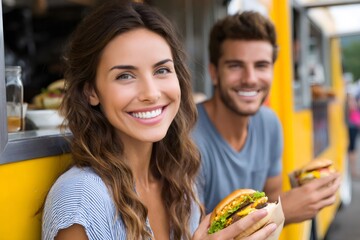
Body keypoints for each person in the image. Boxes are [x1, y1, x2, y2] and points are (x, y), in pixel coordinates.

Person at [41, 2, 277, 240]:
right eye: (125, 76)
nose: (151, 93)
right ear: (91, 91)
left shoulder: (181, 181)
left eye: (162, 70)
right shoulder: (81, 198)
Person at [193, 11, 341, 225]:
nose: (250, 79)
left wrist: (302, 197)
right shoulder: (187, 138)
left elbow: (270, 197)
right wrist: (280, 212)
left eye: (261, 66)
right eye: (235, 65)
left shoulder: (269, 123)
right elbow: (189, 233)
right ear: (214, 73)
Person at [346, 93, 360, 177]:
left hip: (354, 127)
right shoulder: (351, 105)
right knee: (352, 148)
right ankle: (352, 170)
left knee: (353, 149)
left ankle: (353, 170)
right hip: (352, 127)